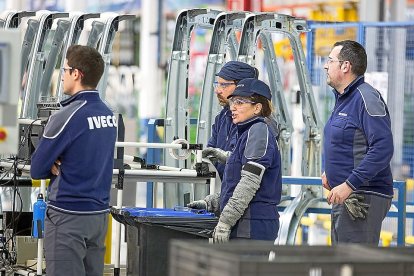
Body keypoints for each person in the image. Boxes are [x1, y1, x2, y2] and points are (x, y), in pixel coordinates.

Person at [31, 45, 117, 275]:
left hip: (68, 217)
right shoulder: (108, 115)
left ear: (76, 74)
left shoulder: (66, 116)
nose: (61, 76)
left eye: (64, 70)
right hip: (98, 217)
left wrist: (52, 162)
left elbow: (36, 168)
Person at [322, 40, 393, 244]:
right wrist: (332, 173)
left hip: (362, 197)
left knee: (354, 266)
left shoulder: (366, 98)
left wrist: (349, 184)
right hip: (345, 194)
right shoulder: (344, 98)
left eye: (330, 60)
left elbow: (382, 148)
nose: (326, 66)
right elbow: (348, 142)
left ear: (345, 66)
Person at [204, 78, 282, 242]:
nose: (233, 107)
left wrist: (225, 222)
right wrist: (212, 203)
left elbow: (249, 183)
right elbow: (235, 183)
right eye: (233, 101)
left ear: (257, 108)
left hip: (252, 225)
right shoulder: (247, 132)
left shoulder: (259, 131)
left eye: (240, 102)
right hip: (246, 223)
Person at [204, 61, 259, 180]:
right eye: (217, 84)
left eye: (224, 85)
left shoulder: (259, 124)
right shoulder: (222, 117)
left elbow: (250, 166)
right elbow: (211, 151)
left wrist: (225, 157)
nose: (217, 90)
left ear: (242, 86)